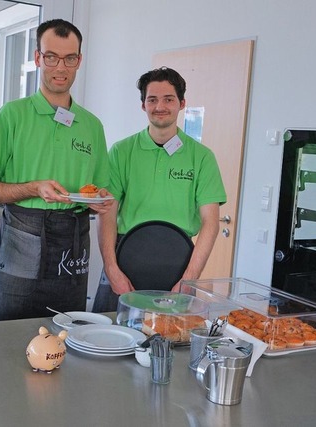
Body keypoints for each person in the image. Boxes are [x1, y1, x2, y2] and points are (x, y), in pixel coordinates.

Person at [0, 19, 111, 321]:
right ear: (37, 58)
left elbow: (100, 194)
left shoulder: (92, 126)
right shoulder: (13, 115)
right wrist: (33, 188)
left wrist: (102, 200)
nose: (61, 67)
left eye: (70, 58)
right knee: (5, 337)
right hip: (23, 236)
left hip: (72, 246)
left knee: (65, 335)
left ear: (79, 61)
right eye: (51, 57)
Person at [92, 67, 227, 313]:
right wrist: (111, 269)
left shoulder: (202, 157)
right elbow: (107, 212)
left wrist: (189, 278)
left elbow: (211, 223)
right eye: (152, 99)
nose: (160, 106)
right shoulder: (122, 152)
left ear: (182, 103)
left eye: (168, 99)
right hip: (124, 257)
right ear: (143, 105)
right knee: (109, 334)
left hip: (179, 265)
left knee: (171, 341)